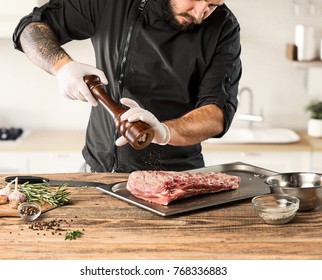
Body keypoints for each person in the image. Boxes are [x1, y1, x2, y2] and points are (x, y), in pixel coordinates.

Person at [13, 0, 242, 173]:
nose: (201, 13)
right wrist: (61, 66)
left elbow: (216, 113)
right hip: (98, 172)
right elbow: (30, 29)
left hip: (176, 176)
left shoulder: (223, 26)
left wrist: (165, 132)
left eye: (212, 4)